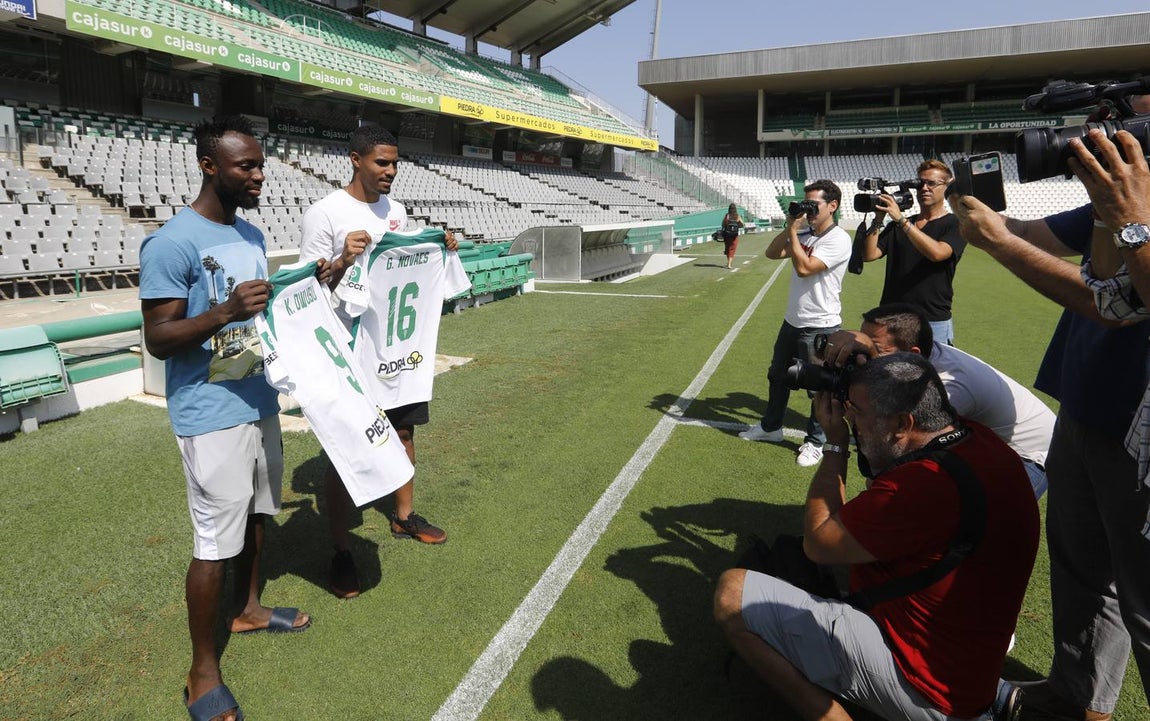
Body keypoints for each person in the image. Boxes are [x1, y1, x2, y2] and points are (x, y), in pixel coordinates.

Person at [716, 353, 1039, 720]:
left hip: (933, 693)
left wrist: (835, 444)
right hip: (967, 661)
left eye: (858, 412)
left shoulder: (923, 487)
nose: (850, 417)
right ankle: (997, 694)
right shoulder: (976, 440)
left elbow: (819, 542)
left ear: (904, 422)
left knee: (733, 593)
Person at [951, 122, 1150, 718]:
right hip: (1085, 406)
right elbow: (1097, 279)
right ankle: (1077, 698)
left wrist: (1130, 220)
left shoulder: (1130, 204)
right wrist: (977, 212)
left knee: (1145, 604)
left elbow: (1110, 302)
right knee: (1081, 571)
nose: (1123, 134)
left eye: (1135, 119)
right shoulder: (1118, 199)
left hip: (1140, 437)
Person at [140, 115, 314, 721]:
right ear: (211, 167)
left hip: (258, 396)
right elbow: (159, 337)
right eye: (248, 166)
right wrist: (221, 312)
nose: (260, 175)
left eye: (261, 164)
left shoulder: (252, 235)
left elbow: (258, 320)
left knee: (259, 515)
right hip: (209, 413)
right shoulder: (171, 243)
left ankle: (250, 609)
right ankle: (200, 672)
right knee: (214, 542)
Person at [299, 124, 459, 600]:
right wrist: (343, 261)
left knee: (405, 431)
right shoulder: (324, 212)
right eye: (381, 163)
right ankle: (342, 550)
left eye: (395, 164)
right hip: (347, 349)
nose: (390, 172)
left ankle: (404, 517)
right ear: (355, 159)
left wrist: (438, 247)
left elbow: (401, 265)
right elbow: (309, 288)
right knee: (346, 450)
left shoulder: (397, 211)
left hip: (392, 345)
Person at [822, 303, 1054, 497]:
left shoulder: (948, 388)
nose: (864, 357)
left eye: (875, 350)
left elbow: (899, 453)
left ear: (913, 353)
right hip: (991, 441)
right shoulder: (917, 362)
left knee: (979, 519)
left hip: (1028, 454)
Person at [739, 180, 852, 467]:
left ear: (833, 206)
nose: (809, 210)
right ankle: (771, 427)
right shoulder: (805, 233)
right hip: (793, 321)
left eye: (814, 205)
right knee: (778, 376)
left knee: (817, 388)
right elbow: (773, 253)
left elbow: (804, 269)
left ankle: (815, 442)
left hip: (820, 325)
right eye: (807, 204)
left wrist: (793, 230)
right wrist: (791, 226)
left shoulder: (838, 239)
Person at [859, 159, 966, 345]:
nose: (924, 188)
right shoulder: (899, 223)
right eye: (920, 183)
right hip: (891, 317)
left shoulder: (955, 224)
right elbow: (869, 255)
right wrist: (878, 219)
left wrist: (901, 220)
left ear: (947, 188)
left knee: (932, 373)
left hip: (931, 319)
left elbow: (938, 253)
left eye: (931, 183)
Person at [718, 202, 745, 270]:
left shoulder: (727, 216)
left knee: (728, 248)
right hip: (734, 235)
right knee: (732, 249)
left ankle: (728, 262)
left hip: (727, 235)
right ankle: (729, 264)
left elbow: (723, 224)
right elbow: (742, 224)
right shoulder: (737, 216)